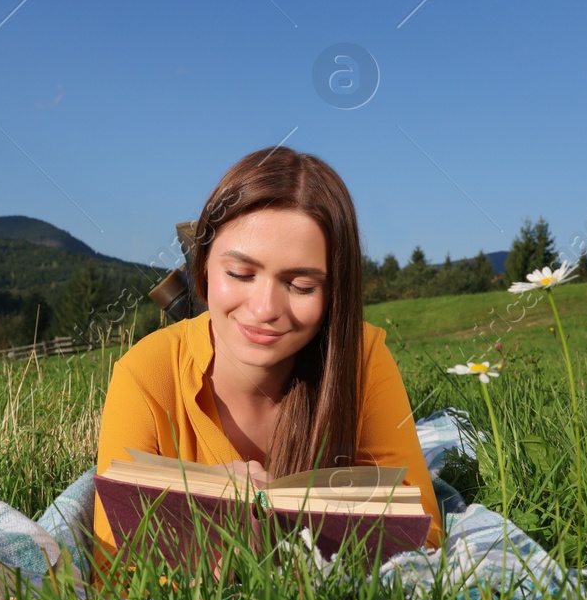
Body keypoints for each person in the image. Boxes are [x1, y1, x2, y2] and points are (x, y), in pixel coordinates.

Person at [93, 146, 444, 577]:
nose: (264, 309)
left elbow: (422, 537)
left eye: (300, 285)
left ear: (335, 293)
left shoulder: (361, 357)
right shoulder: (147, 374)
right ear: (203, 269)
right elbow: (112, 569)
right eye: (240, 275)